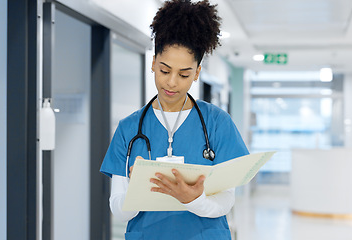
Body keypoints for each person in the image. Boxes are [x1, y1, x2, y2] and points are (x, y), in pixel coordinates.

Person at [100, 0, 249, 239]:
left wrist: (194, 200)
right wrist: (138, 189)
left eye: (184, 74)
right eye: (164, 70)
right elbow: (118, 209)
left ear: (197, 72)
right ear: (153, 63)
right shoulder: (129, 128)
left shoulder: (217, 123)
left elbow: (226, 200)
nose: (171, 82)